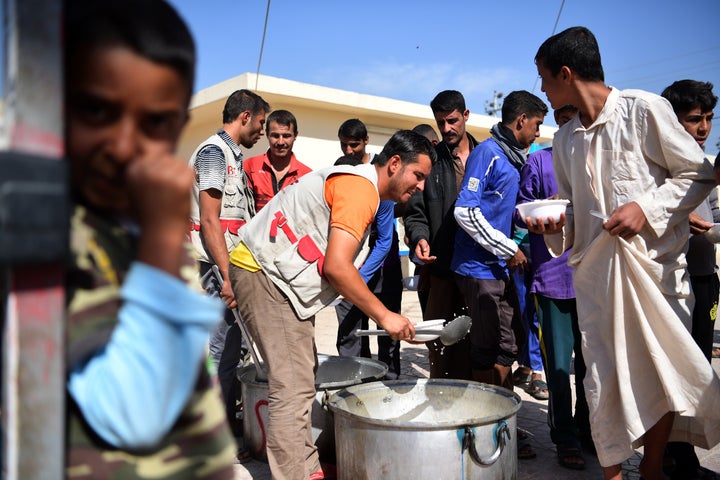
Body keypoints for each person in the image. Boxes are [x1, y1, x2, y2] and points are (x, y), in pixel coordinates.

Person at [533, 26, 720, 480]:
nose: (541, 89)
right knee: (603, 382)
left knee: (660, 377)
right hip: (598, 283)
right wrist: (556, 224)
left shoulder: (644, 111)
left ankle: (652, 468)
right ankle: (613, 474)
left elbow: (698, 175)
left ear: (566, 73)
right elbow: (575, 213)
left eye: (544, 78)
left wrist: (646, 208)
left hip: (657, 277)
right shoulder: (565, 141)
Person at [64, 0, 236, 477]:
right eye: (98, 110)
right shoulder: (57, 235)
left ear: (177, 126)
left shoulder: (130, 225)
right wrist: (163, 238)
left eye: (154, 123)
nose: (123, 146)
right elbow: (134, 413)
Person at [228, 130, 435, 480]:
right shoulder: (361, 190)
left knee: (302, 375)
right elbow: (338, 267)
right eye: (419, 175)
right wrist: (385, 316)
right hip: (265, 275)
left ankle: (307, 468)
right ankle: (295, 473)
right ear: (395, 163)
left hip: (275, 277)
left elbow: (331, 264)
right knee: (291, 387)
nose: (421, 186)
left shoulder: (362, 188)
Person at [188, 88, 270, 444]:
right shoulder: (213, 153)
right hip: (216, 269)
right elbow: (209, 221)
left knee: (231, 349)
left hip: (229, 267)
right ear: (245, 117)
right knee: (221, 351)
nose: (263, 132)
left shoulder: (230, 155)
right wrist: (226, 276)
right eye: (262, 124)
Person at [452, 90, 546, 389]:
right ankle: (489, 423)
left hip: (500, 268)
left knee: (510, 343)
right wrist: (507, 248)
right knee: (487, 347)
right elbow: (465, 210)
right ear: (522, 120)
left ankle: (502, 422)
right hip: (479, 269)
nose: (538, 132)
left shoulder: (515, 158)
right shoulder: (488, 154)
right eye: (537, 124)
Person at [516, 104, 592, 470]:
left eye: (576, 121)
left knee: (593, 366)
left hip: (595, 279)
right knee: (559, 368)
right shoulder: (538, 162)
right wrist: (535, 217)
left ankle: (590, 430)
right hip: (553, 281)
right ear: (555, 126)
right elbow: (521, 210)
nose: (570, 128)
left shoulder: (597, 161)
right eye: (562, 122)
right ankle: (566, 437)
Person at [661, 79, 719, 480]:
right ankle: (667, 455)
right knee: (672, 372)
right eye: (694, 119)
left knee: (697, 372)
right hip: (667, 282)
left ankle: (684, 457)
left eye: (709, 119)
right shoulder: (659, 170)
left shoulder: (708, 169)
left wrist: (706, 229)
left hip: (702, 280)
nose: (702, 128)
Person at [403, 90, 480, 380]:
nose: (447, 129)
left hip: (481, 272)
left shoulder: (485, 156)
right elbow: (415, 211)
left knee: (480, 345)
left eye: (452, 121)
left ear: (466, 116)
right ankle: (445, 413)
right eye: (441, 123)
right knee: (442, 347)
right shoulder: (430, 163)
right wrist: (420, 236)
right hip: (442, 269)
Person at [333, 152, 403, 378]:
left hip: (378, 271)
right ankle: (350, 384)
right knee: (350, 334)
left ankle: (390, 385)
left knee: (388, 334)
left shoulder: (380, 196)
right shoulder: (332, 192)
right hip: (345, 270)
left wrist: (354, 281)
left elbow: (383, 243)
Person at [244, 109, 312, 212]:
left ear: (295, 136)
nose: (280, 142)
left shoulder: (307, 176)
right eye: (275, 136)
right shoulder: (249, 166)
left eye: (286, 136)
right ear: (267, 134)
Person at [410, 123, 441, 314]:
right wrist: (418, 236)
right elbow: (414, 215)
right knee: (432, 328)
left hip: (452, 268)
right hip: (424, 267)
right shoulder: (417, 175)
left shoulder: (453, 168)